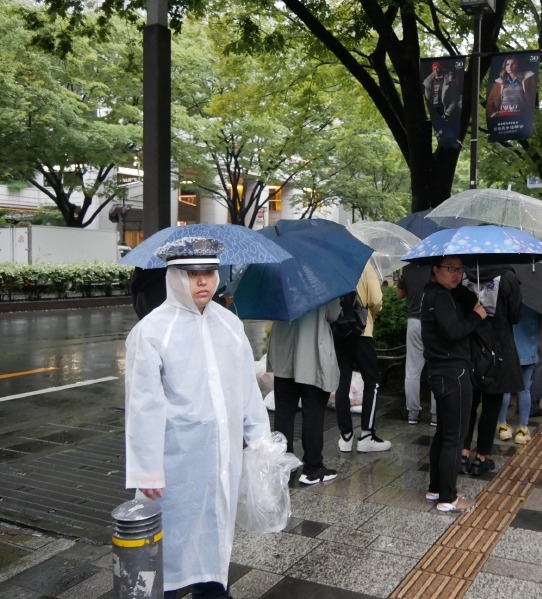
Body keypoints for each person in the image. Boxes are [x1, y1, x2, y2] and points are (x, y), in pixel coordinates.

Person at [124, 237, 271, 599]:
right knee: (170, 544)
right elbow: (143, 404)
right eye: (192, 274)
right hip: (174, 462)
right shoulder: (152, 332)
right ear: (174, 277)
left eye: (208, 272)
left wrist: (261, 440)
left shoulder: (229, 325)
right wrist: (146, 469)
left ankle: (214, 590)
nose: (202, 282)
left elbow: (246, 389)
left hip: (221, 456)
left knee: (216, 533)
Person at [420, 256, 486, 512]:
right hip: (452, 373)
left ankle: (436, 487)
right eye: (449, 268)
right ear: (435, 270)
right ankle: (448, 498)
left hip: (441, 372)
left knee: (444, 433)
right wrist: (477, 317)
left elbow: (460, 312)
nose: (455, 274)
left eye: (459, 269)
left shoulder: (436, 293)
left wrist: (470, 300)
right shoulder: (440, 297)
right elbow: (453, 331)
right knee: (454, 437)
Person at [268, 298, 341, 485]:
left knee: (284, 412)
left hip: (283, 352)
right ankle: (313, 467)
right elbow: (333, 314)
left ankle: (285, 466)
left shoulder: (280, 277)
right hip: (312, 354)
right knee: (313, 412)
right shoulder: (324, 281)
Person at [461, 264, 523, 477]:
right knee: (491, 406)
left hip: (470, 346)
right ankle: (481, 458)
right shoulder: (508, 277)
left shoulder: (463, 273)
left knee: (469, 404)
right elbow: (515, 316)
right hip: (498, 350)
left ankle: (462, 453)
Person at [334, 262, 392, 453]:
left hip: (338, 330)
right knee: (372, 381)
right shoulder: (364, 263)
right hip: (361, 331)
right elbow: (375, 300)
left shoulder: (333, 263)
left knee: (342, 381)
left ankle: (346, 437)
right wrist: (371, 317)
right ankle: (367, 435)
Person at [496, 306, 542, 445]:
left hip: (508, 350)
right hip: (528, 352)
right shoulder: (536, 302)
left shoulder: (509, 297)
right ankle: (522, 430)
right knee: (524, 389)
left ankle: (502, 426)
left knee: (505, 390)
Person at [397, 263, 437, 426]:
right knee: (436, 367)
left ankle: (412, 413)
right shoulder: (434, 267)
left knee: (412, 369)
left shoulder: (406, 269)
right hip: (433, 322)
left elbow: (399, 294)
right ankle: (436, 414)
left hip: (413, 321)